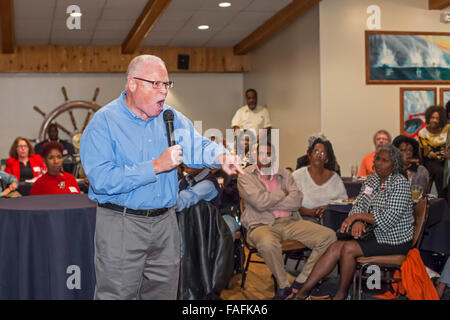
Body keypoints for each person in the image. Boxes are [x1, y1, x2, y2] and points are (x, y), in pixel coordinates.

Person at [79, 54, 242, 300]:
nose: (163, 91)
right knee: (117, 295)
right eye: (155, 83)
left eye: (166, 84)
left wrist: (220, 156)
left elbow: (196, 145)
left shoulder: (171, 117)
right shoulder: (104, 122)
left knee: (163, 294)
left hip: (166, 223)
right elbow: (101, 179)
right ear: (132, 83)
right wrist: (155, 166)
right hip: (121, 223)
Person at [291, 144, 414, 300]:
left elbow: (387, 220)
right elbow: (359, 204)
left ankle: (341, 293)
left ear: (394, 164)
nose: (378, 163)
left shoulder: (399, 183)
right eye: (377, 159)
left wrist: (358, 217)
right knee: (335, 246)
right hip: (374, 233)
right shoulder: (372, 180)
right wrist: (357, 221)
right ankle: (303, 291)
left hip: (394, 238)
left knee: (348, 248)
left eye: (385, 161)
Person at [237, 141, 336, 299]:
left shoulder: (285, 174)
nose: (264, 157)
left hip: (291, 222)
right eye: (260, 153)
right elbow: (259, 202)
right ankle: (284, 287)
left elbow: (296, 201)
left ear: (274, 156)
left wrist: (269, 199)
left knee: (329, 236)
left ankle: (301, 281)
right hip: (261, 225)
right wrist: (283, 193)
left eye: (268, 153)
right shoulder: (245, 176)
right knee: (268, 243)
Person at [292, 138, 348, 224]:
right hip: (303, 220)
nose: (318, 155)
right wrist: (312, 213)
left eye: (322, 153)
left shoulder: (335, 179)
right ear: (310, 156)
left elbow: (343, 202)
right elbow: (291, 204)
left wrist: (328, 208)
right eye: (315, 152)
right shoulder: (298, 176)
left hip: (330, 221)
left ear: (326, 159)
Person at [177, 164, 239, 239]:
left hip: (211, 225)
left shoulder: (208, 184)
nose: (187, 163)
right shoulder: (184, 181)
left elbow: (180, 203)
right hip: (191, 225)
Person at [418, 105, 449, 199]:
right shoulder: (423, 133)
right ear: (428, 118)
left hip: (446, 159)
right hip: (431, 161)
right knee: (440, 172)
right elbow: (428, 153)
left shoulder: (448, 128)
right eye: (432, 117)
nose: (434, 120)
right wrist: (442, 154)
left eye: (437, 118)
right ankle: (443, 199)